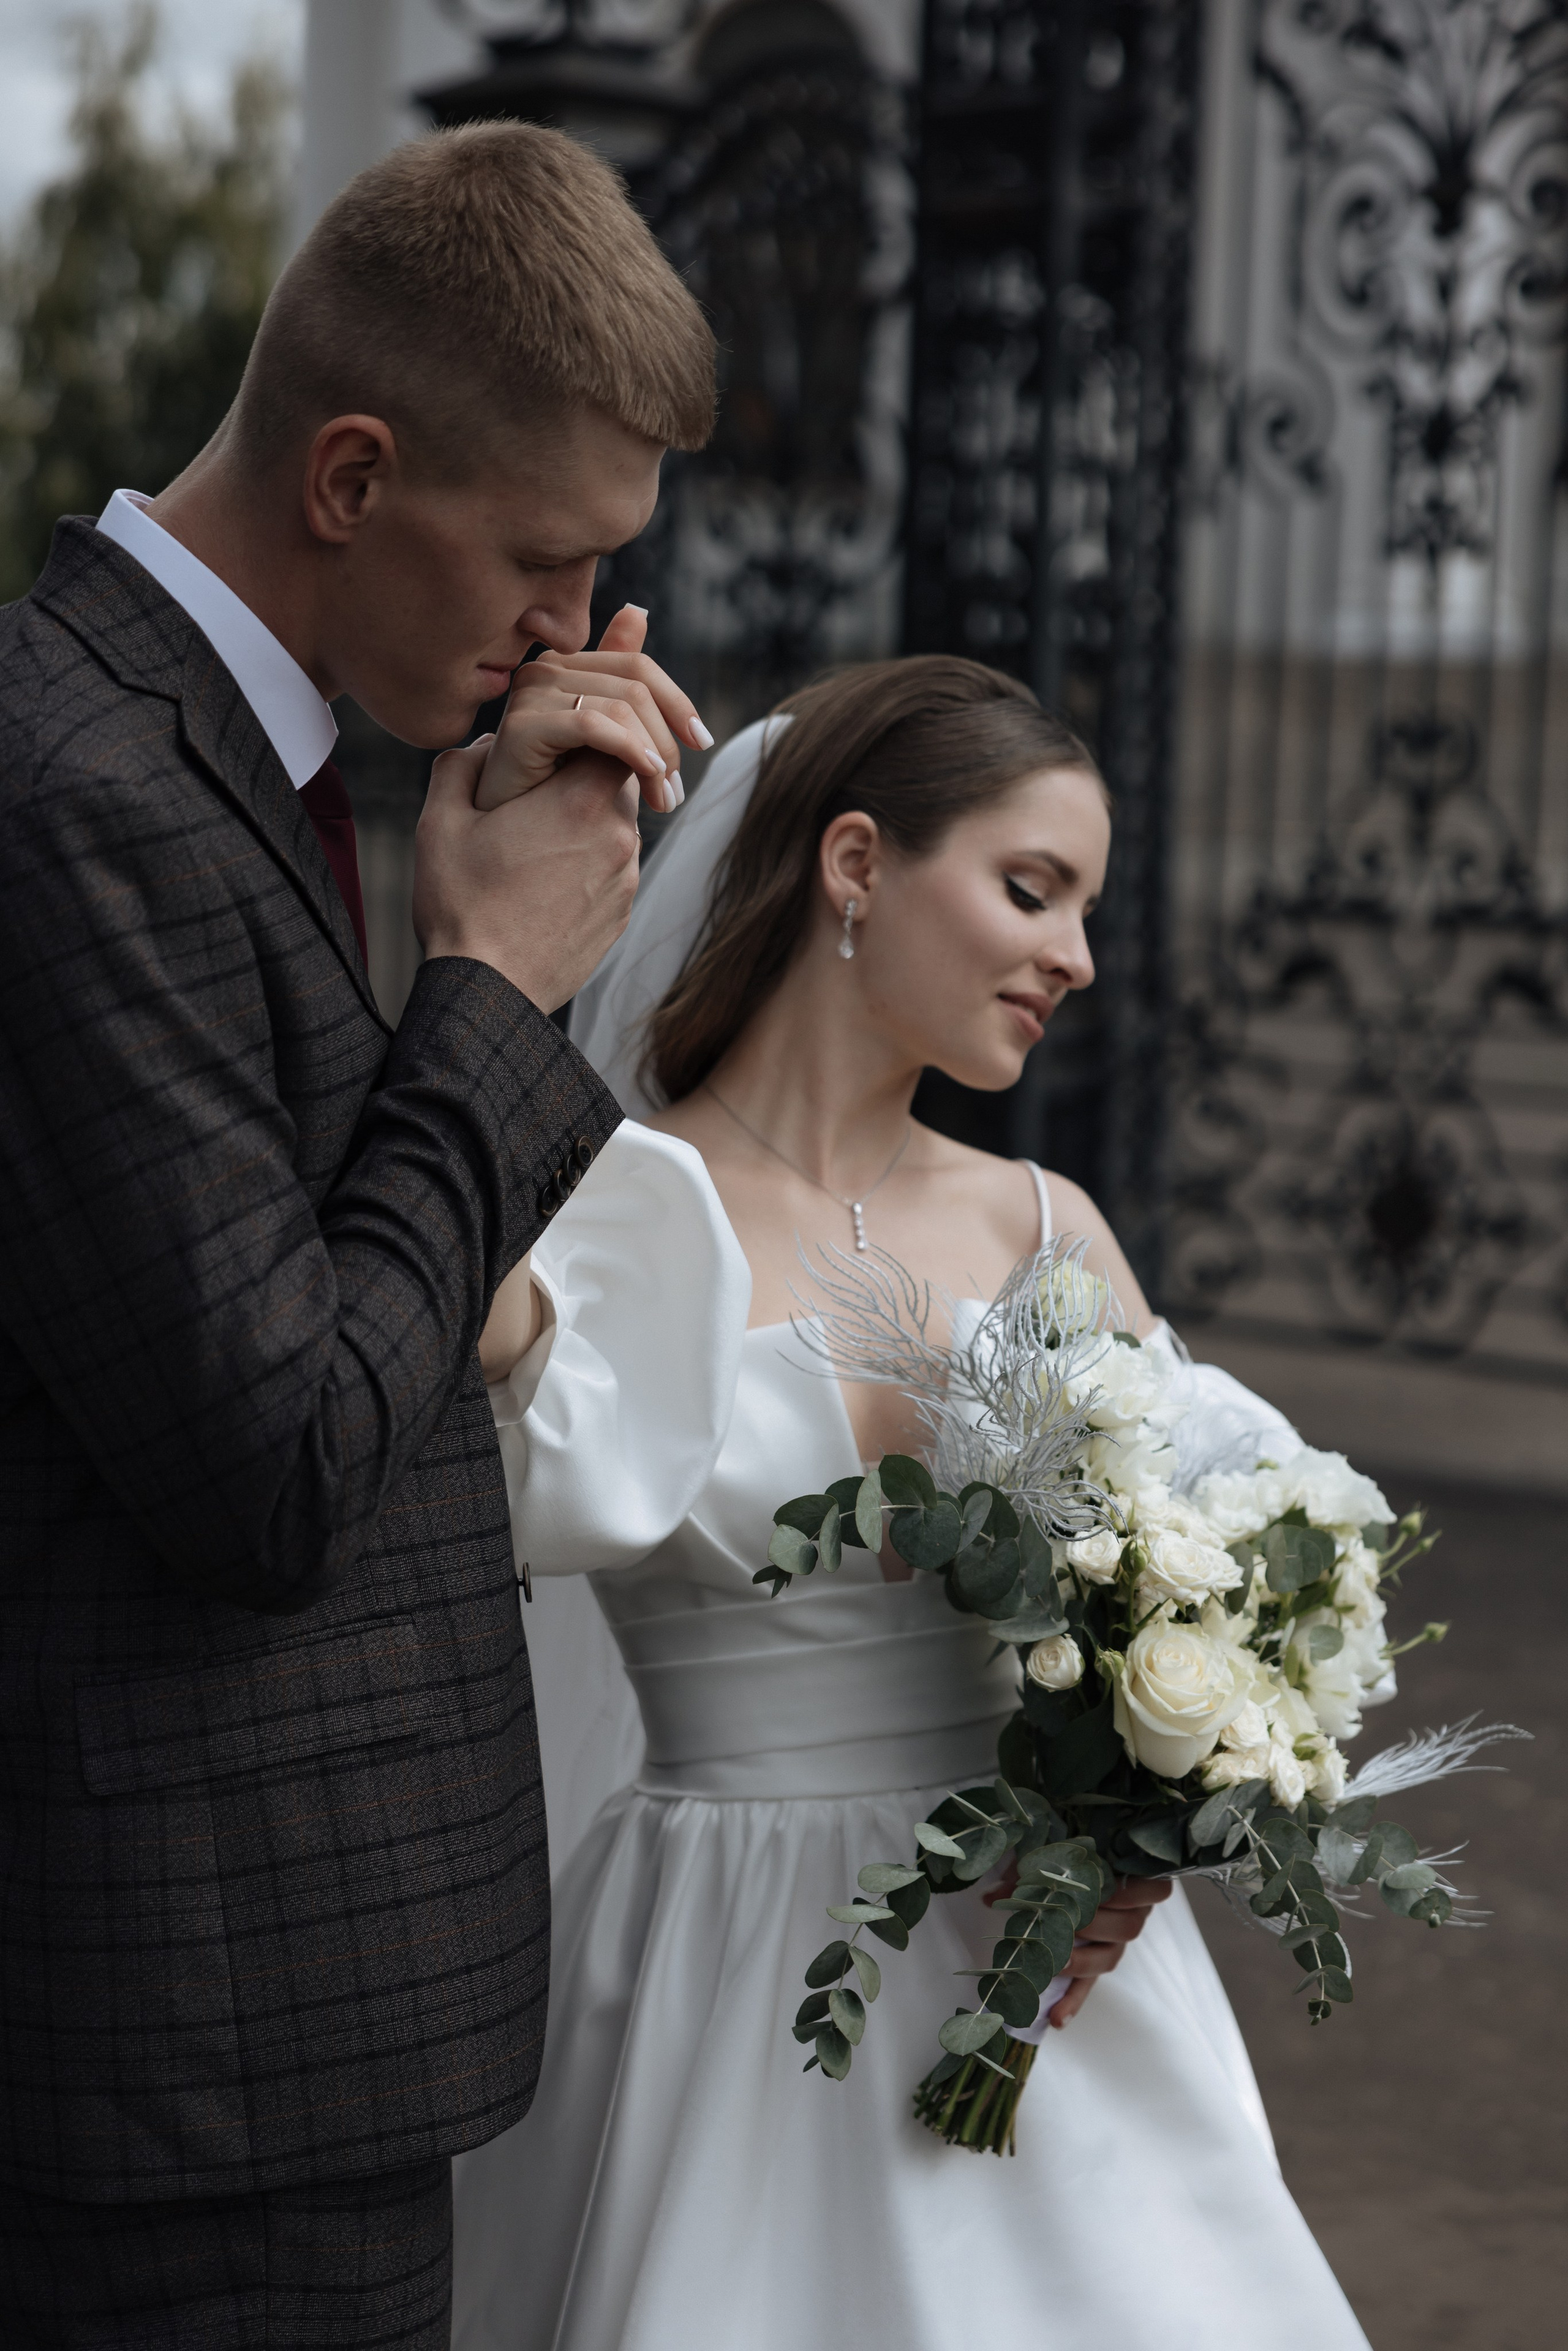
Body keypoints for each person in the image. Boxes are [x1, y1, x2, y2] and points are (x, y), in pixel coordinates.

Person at [0, 124, 718, 2350]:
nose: (574, 642)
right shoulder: (75, 789)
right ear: (348, 479)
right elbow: (275, 1458)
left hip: (275, 2038)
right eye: (541, 564)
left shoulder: (240, 752)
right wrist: (491, 1000)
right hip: (181, 2076)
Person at [451, 656, 1373, 2350]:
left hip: (1046, 1977)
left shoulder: (1048, 1227)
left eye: (1087, 909)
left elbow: (1218, 1592)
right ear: (856, 864)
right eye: (1032, 890)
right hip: (731, 1969)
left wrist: (1146, 1827)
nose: (1077, 960)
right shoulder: (593, 1206)